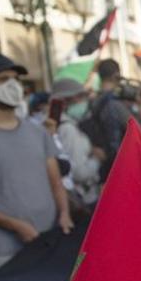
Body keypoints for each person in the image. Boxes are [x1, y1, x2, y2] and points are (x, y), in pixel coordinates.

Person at [0, 54, 73, 277]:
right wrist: (14, 225)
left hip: (47, 244)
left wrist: (64, 213)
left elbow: (55, 182)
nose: (13, 85)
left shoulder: (37, 132)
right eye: (3, 79)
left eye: (16, 79)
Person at [48, 79, 102, 208]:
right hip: (82, 198)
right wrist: (96, 159)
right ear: (65, 102)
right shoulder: (67, 129)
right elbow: (79, 173)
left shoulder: (57, 125)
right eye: (81, 97)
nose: (85, 102)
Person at [81, 59, 135, 181]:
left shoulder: (92, 102)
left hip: (100, 167)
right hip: (119, 167)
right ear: (116, 76)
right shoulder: (115, 104)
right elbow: (139, 132)